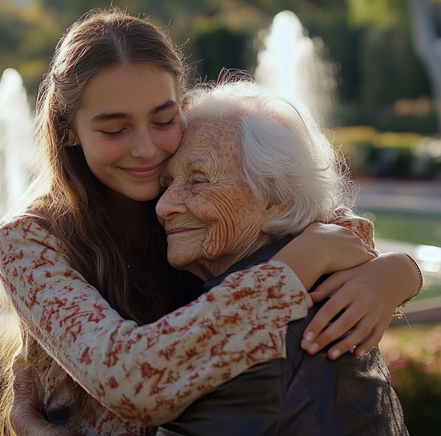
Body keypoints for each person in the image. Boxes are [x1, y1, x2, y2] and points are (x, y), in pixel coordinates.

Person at [0, 7, 421, 436]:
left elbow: (316, 213)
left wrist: (399, 272)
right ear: (68, 129)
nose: (146, 149)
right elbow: (131, 380)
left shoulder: (189, 175)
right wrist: (290, 270)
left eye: (163, 118)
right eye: (114, 130)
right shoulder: (28, 238)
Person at [153, 81, 409, 435]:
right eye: (166, 184)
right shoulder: (317, 280)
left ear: (277, 198)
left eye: (198, 180)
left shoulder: (257, 335)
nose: (164, 206)